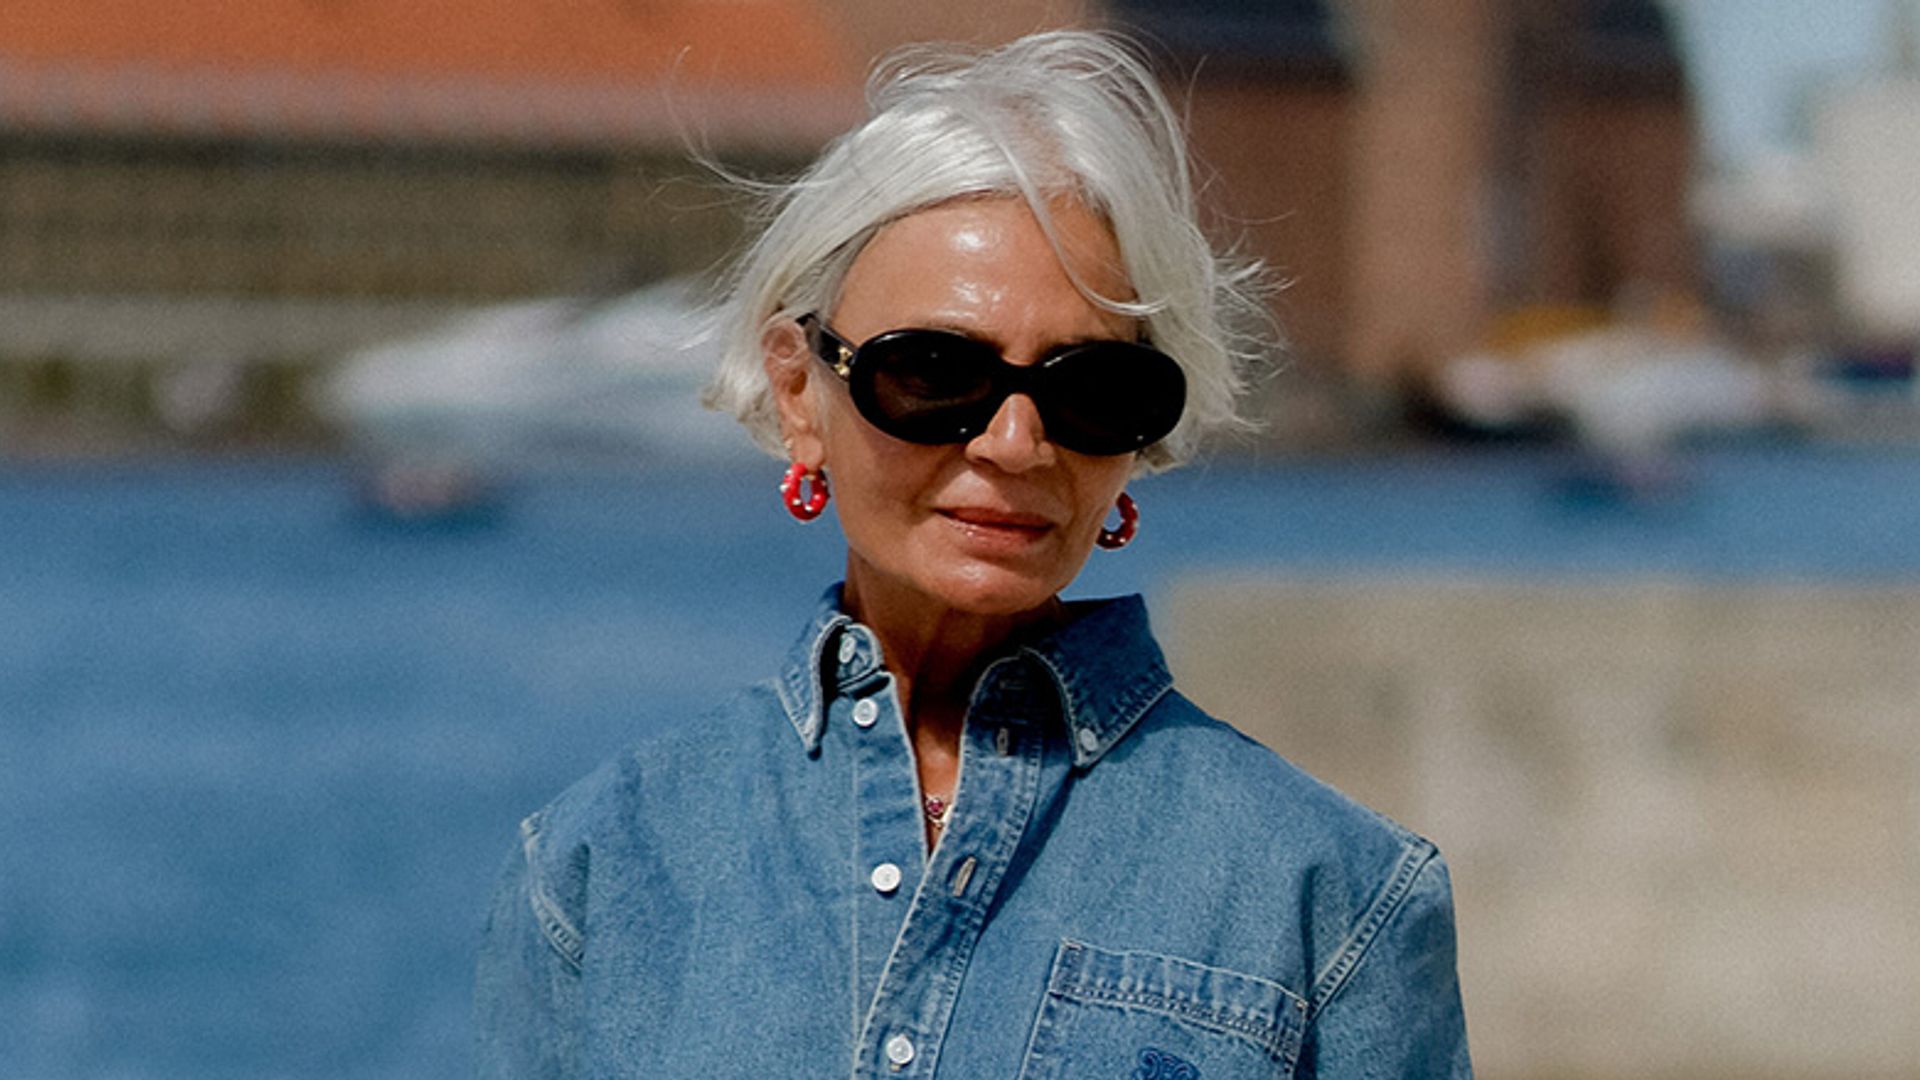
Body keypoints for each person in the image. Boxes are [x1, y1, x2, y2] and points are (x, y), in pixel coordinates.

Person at [476, 30, 1471, 1078]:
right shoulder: (600, 865)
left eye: (1088, 390)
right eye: (934, 374)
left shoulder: (1332, 897)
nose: (1013, 444)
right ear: (797, 390)